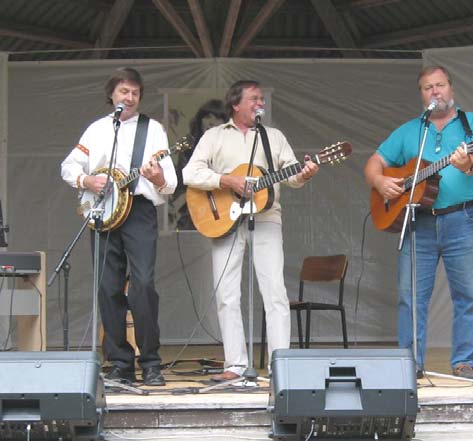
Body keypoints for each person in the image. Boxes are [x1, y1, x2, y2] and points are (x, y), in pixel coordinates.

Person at [182, 80, 318, 381]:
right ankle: (235, 364)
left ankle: (280, 366)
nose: (260, 103)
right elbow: (189, 173)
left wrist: (306, 173)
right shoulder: (214, 136)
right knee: (227, 293)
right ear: (236, 104)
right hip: (224, 220)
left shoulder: (274, 137)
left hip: (267, 217)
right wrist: (227, 182)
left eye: (261, 98)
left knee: (275, 292)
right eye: (254, 98)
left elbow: (293, 176)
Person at [364, 65, 473, 381]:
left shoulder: (471, 123)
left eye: (440, 85)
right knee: (411, 296)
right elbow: (374, 163)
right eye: (428, 87)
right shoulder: (409, 131)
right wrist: (380, 183)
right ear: (421, 94)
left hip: (463, 218)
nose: (436, 92)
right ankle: (410, 363)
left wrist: (467, 163)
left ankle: (463, 363)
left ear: (451, 87)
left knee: (467, 295)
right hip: (417, 221)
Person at [61, 67, 177, 386]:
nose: (129, 97)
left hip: (138, 211)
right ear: (111, 94)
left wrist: (158, 177)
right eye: (124, 91)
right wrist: (87, 180)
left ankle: (150, 361)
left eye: (135, 93)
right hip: (102, 212)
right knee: (107, 287)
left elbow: (169, 183)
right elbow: (69, 166)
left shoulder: (152, 129)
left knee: (142, 286)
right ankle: (120, 362)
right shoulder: (97, 129)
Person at [170, 99, 227, 230]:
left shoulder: (232, 148)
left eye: (217, 118)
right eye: (207, 117)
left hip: (225, 208)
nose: (211, 122)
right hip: (192, 210)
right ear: (200, 121)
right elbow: (181, 183)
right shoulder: (188, 149)